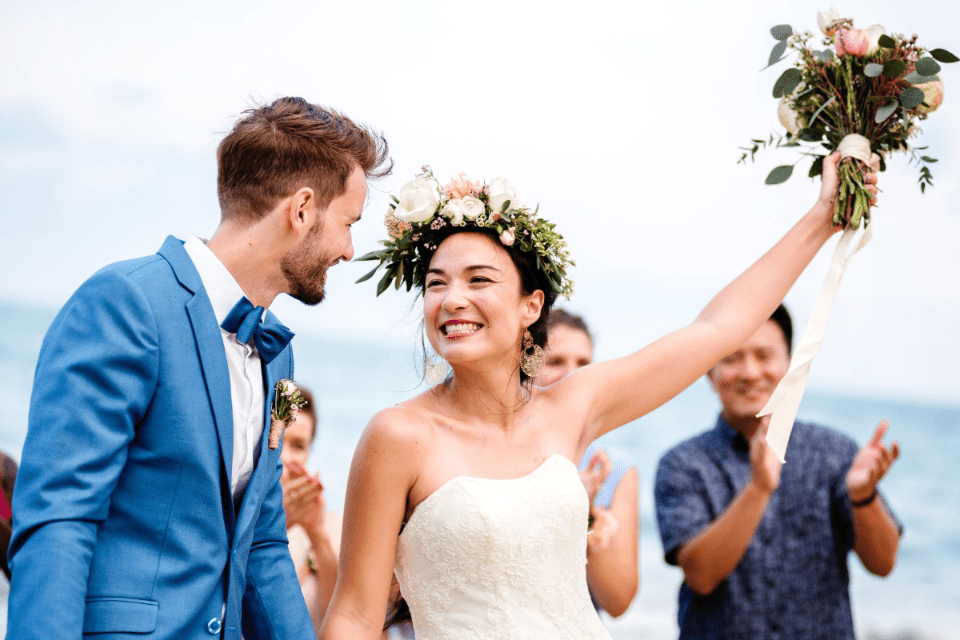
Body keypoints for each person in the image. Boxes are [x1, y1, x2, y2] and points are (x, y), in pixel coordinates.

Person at [320, 156, 879, 640]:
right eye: (436, 283)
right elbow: (354, 612)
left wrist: (822, 219)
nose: (452, 299)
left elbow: (717, 330)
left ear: (530, 307)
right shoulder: (398, 436)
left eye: (479, 280)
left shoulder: (571, 407)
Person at [7, 97, 390, 640]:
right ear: (302, 209)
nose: (349, 250)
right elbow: (59, 521)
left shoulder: (278, 354)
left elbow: (261, 541)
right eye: (348, 222)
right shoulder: (126, 303)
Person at [653, 304, 902, 640]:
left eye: (764, 356)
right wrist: (758, 488)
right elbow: (701, 575)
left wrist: (863, 496)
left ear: (790, 365)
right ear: (708, 372)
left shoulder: (835, 451)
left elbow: (883, 564)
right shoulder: (683, 463)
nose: (750, 372)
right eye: (731, 358)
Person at [538, 308, 640, 618]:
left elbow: (617, 601)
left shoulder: (613, 468)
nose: (574, 374)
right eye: (556, 361)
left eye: (584, 364)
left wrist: (584, 513)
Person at [278, 386, 343, 638]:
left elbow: (342, 619)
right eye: (277, 440)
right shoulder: (231, 521)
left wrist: (318, 536)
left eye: (298, 445)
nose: (284, 456)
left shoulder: (332, 526)